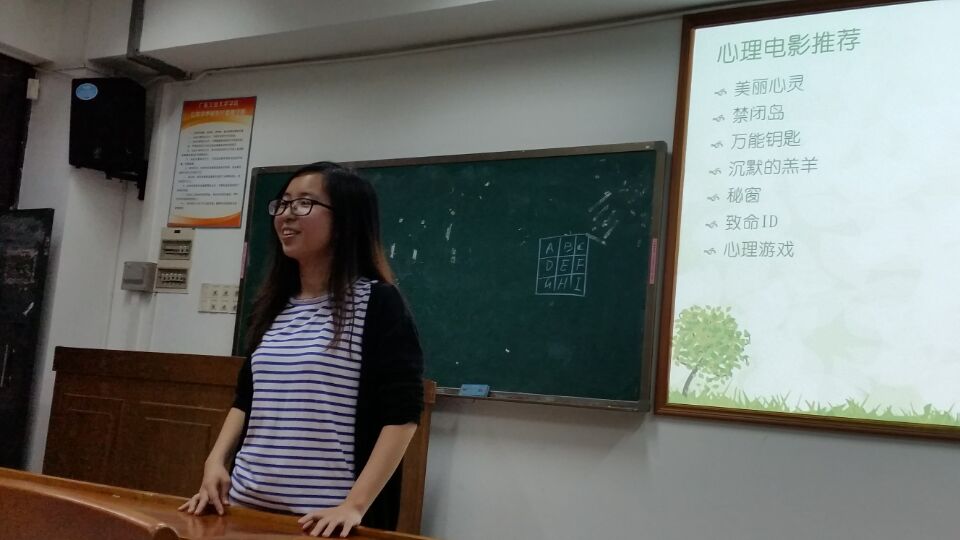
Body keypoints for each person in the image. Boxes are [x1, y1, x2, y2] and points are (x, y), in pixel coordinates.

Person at [179, 162, 424, 538]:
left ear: (344, 221)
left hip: (322, 518)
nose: (287, 214)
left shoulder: (377, 303)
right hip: (244, 504)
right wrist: (215, 462)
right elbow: (246, 399)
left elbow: (402, 415)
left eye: (304, 203)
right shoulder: (273, 306)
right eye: (283, 203)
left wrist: (354, 505)